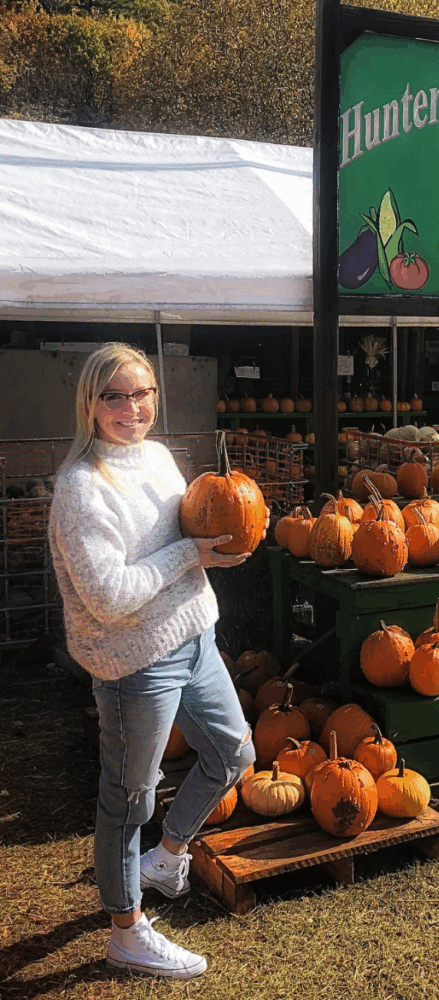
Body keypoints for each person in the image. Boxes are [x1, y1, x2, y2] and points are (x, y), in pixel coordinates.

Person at [48, 342, 261, 979]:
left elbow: (195, 526)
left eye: (142, 393)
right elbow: (110, 597)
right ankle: (125, 928)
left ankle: (167, 856)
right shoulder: (81, 488)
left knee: (234, 754)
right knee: (130, 795)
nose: (131, 408)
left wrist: (229, 533)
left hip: (194, 637)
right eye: (114, 395)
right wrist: (193, 555)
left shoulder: (161, 458)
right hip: (134, 660)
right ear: (90, 402)